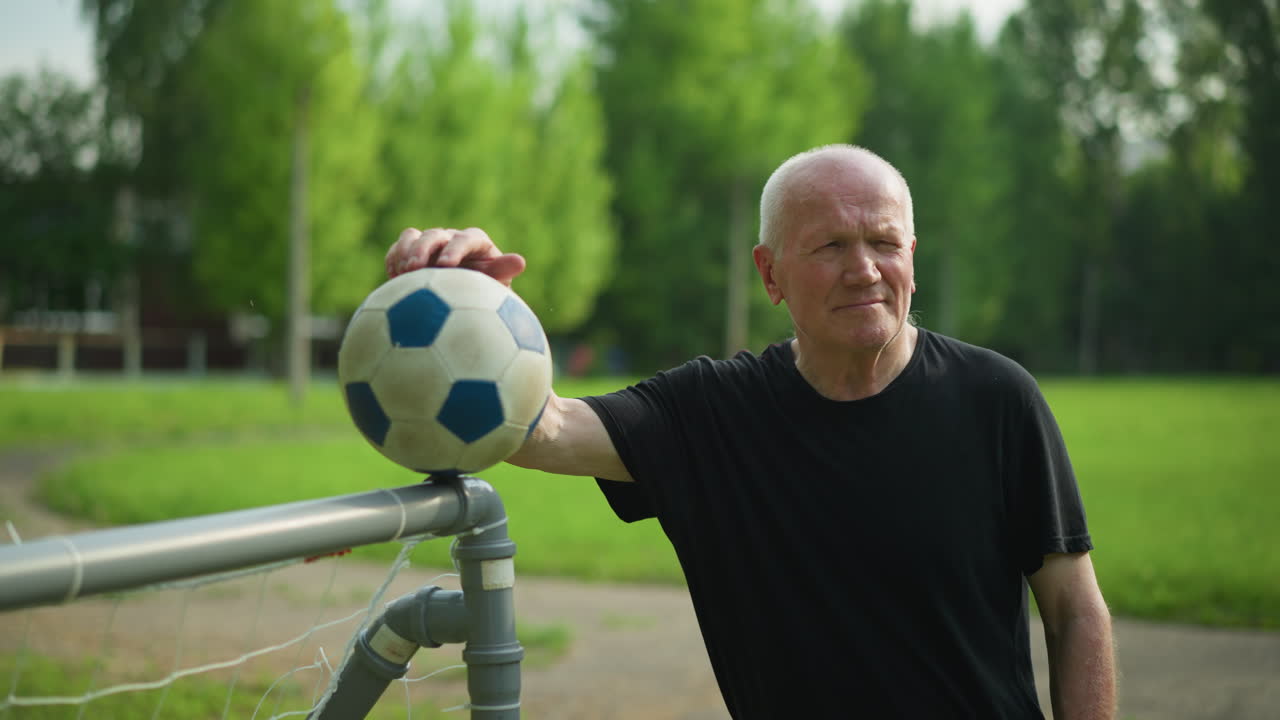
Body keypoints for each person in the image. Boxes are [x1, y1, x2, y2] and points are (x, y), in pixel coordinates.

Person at [384, 144, 1117, 719]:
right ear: (770, 276)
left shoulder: (997, 400)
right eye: (830, 246)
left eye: (884, 243)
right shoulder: (712, 415)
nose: (864, 269)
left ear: (913, 262)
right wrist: (468, 310)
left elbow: (1074, 610)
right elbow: (541, 429)